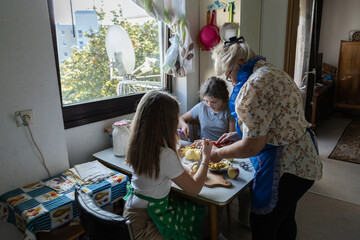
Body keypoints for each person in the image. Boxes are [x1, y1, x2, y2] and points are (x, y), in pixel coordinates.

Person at [210, 36, 323, 240]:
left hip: (287, 166)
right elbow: (272, 121)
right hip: (304, 156)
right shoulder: (270, 71)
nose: (231, 81)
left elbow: (252, 147)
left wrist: (218, 154)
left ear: (239, 64)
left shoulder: (255, 86)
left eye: (228, 75)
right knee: (285, 218)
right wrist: (238, 134)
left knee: (263, 224)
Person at [122, 89, 212, 240]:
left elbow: (158, 170)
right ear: (165, 123)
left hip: (132, 212)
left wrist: (182, 169)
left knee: (191, 209)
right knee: (193, 217)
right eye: (175, 118)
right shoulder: (165, 155)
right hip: (143, 224)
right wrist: (206, 158)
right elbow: (195, 189)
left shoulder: (141, 144)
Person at [178, 76, 235, 142]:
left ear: (223, 99)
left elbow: (231, 140)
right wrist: (184, 125)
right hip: (203, 146)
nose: (209, 105)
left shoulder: (229, 111)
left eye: (213, 102)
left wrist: (211, 144)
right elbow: (181, 118)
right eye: (206, 101)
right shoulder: (201, 107)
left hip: (221, 148)